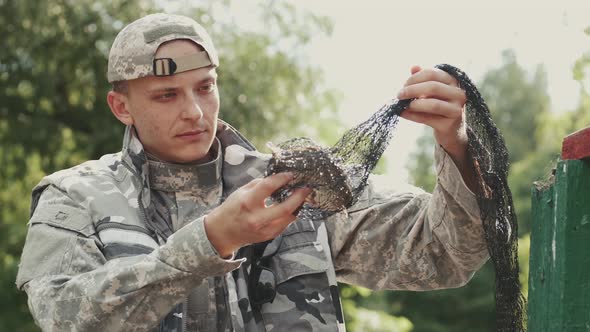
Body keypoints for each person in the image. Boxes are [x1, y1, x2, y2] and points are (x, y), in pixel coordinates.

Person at [16, 13, 488, 331]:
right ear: (121, 106)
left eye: (204, 87)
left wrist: (456, 145)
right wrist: (209, 242)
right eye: (167, 95)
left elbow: (443, 255)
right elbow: (63, 316)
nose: (195, 113)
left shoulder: (293, 187)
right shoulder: (76, 197)